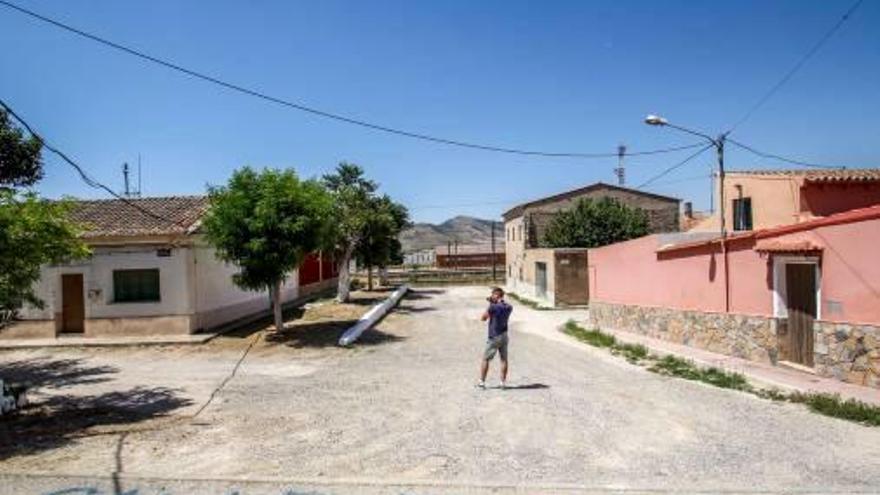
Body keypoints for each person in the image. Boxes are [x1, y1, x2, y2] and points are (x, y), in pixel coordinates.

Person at [477, 287, 513, 389]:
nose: (492, 296)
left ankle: (482, 382)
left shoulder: (493, 307)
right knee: (504, 360)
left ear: (497, 295)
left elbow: (483, 318)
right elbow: (503, 306)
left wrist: (490, 304)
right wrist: (494, 303)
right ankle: (502, 382)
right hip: (504, 335)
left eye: (493, 294)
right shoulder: (509, 307)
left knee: (486, 359)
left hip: (494, 336)